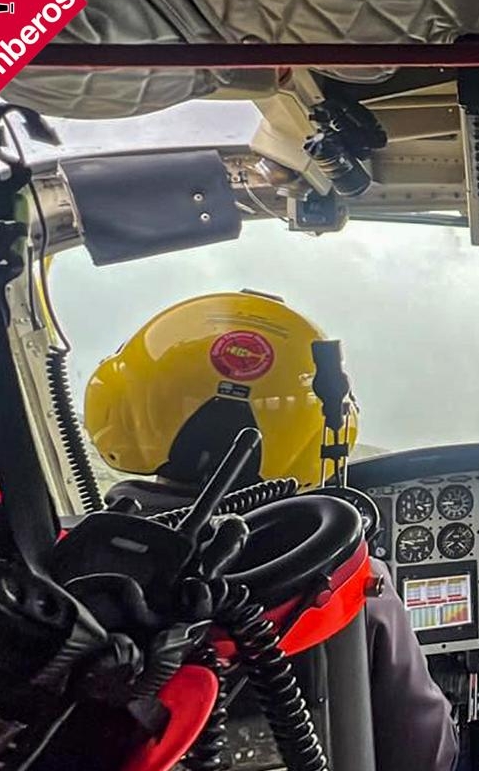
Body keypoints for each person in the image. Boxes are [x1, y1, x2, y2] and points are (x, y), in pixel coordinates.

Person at [85, 291, 459, 771]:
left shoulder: (67, 568)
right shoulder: (348, 576)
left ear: (124, 398)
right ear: (321, 427)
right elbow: (428, 756)